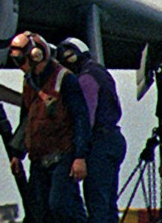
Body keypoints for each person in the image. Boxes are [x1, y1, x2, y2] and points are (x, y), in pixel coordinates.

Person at [9, 31, 91, 223]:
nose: (19, 66)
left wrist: (80, 156)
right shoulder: (30, 81)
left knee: (61, 205)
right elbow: (27, 119)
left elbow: (80, 118)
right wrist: (16, 153)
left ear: (36, 56)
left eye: (21, 61)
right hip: (38, 158)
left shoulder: (65, 79)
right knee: (40, 211)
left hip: (62, 155)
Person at [58, 38, 124, 223]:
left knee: (97, 206)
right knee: (109, 204)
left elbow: (87, 119)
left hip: (99, 144)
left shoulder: (86, 78)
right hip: (114, 138)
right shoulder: (100, 72)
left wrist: (80, 152)